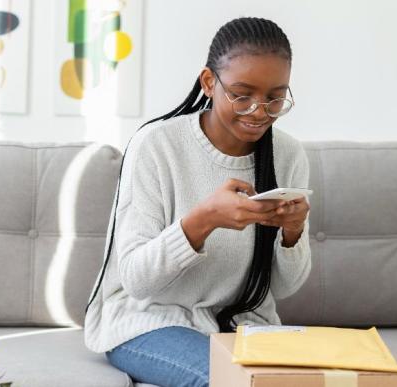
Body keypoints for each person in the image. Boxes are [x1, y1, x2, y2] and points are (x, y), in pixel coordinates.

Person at [83, 16, 312, 387]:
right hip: (151, 321)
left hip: (245, 328)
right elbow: (137, 281)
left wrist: (293, 233)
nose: (259, 111)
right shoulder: (156, 145)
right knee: (230, 383)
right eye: (242, 94)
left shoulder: (287, 155)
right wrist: (202, 220)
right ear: (209, 82)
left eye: (275, 97)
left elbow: (283, 289)